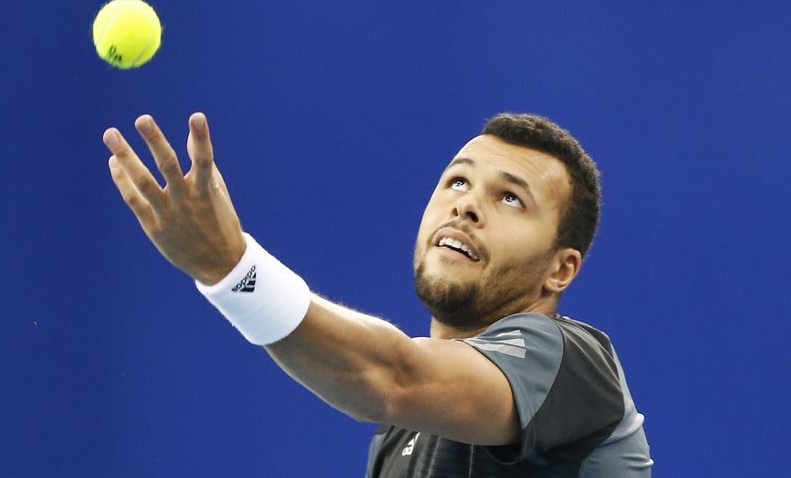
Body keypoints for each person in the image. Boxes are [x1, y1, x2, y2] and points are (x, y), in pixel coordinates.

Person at [103, 112, 653, 477]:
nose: (465, 206)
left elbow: (394, 377)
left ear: (560, 271)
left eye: (511, 198)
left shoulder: (572, 361)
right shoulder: (402, 438)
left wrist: (233, 269)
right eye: (457, 182)